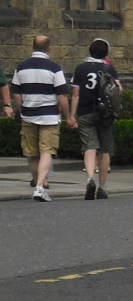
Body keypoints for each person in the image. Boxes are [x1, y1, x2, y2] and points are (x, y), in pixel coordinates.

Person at [11, 36, 76, 202]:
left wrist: (21, 110)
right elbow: (61, 95)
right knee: (47, 151)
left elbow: (16, 94)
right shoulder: (54, 68)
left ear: (32, 46)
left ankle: (37, 183)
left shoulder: (21, 67)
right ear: (49, 48)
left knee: (32, 154)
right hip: (49, 115)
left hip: (29, 115)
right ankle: (40, 187)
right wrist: (68, 116)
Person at [70, 38, 122, 200]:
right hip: (105, 114)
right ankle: (102, 187)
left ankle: (90, 179)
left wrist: (72, 115)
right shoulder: (109, 69)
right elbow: (118, 89)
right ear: (105, 53)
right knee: (105, 150)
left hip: (85, 112)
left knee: (89, 147)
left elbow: (76, 94)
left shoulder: (80, 69)